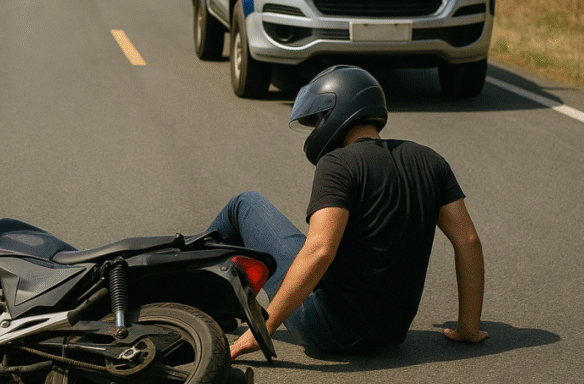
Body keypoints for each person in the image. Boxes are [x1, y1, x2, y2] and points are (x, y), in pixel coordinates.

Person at [208, 65, 487, 358]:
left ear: (336, 110)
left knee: (244, 203)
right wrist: (468, 327)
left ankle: (192, 288)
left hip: (326, 329)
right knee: (305, 245)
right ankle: (218, 297)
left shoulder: (338, 164)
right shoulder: (431, 161)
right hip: (389, 334)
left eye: (317, 119)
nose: (316, 129)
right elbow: (468, 241)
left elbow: (320, 250)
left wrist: (260, 330)